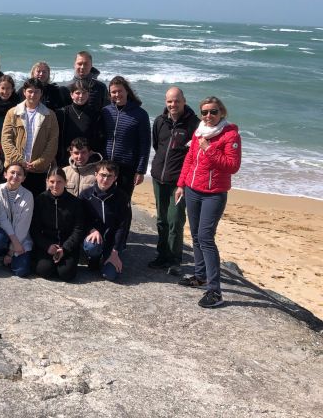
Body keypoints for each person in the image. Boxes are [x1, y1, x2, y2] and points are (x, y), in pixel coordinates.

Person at [176, 96, 241, 309]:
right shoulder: (199, 131)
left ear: (221, 112)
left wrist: (209, 149)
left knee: (206, 237)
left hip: (214, 194)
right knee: (195, 235)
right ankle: (200, 276)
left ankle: (215, 291)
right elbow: (189, 160)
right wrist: (181, 184)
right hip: (193, 190)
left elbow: (232, 166)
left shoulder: (230, 135)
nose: (208, 116)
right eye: (204, 112)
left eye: (213, 112)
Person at [149, 87, 200, 275]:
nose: (173, 104)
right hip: (158, 178)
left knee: (176, 220)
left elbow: (195, 156)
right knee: (162, 220)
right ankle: (162, 256)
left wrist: (184, 181)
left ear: (184, 101)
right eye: (170, 101)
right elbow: (157, 145)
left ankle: (174, 260)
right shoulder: (160, 121)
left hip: (179, 183)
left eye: (177, 100)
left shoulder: (194, 124)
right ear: (165, 102)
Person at [1, 78, 59, 196]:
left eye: (37, 91)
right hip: (16, 169)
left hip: (39, 171)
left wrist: (38, 163)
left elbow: (52, 143)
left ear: (41, 93)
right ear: (24, 92)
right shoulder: (12, 113)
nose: (33, 94)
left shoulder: (50, 115)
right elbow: (6, 140)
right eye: (30, 91)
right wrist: (20, 161)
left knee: (36, 204)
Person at [31, 167, 86, 282]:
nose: (55, 185)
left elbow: (78, 229)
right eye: (52, 182)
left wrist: (65, 249)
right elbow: (34, 228)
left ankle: (61, 264)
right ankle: (51, 264)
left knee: (66, 274)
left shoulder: (75, 202)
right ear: (47, 181)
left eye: (59, 182)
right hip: (47, 243)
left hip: (67, 244)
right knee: (44, 270)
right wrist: (47, 246)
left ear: (65, 182)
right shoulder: (40, 200)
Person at [81, 161, 132, 282]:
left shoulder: (122, 197)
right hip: (94, 239)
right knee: (92, 247)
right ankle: (94, 258)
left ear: (115, 178)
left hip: (112, 241)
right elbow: (81, 219)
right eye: (102, 175)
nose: (105, 179)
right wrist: (91, 229)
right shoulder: (85, 195)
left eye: (109, 176)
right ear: (96, 174)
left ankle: (109, 256)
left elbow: (122, 226)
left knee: (110, 275)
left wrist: (115, 252)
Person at [102, 76, 150, 198]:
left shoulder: (140, 114)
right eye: (113, 92)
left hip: (127, 167)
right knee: (105, 199)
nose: (117, 94)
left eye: (120, 91)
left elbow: (145, 144)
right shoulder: (105, 111)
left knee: (123, 202)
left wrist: (140, 171)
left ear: (127, 91)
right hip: (106, 165)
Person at [0, 162, 34, 277]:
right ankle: (0, 254)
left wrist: (11, 252)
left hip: (20, 237)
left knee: (21, 271)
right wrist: (14, 242)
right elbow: (1, 218)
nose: (15, 176)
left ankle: (8, 257)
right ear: (5, 174)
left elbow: (23, 226)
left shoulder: (28, 195)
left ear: (23, 178)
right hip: (3, 231)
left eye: (19, 174)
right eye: (12, 172)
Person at [55, 80, 105, 168]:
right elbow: (56, 137)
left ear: (88, 94)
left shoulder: (95, 114)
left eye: (84, 93)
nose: (81, 96)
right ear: (71, 95)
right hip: (65, 160)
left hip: (89, 160)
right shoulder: (62, 113)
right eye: (77, 93)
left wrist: (91, 153)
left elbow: (100, 137)